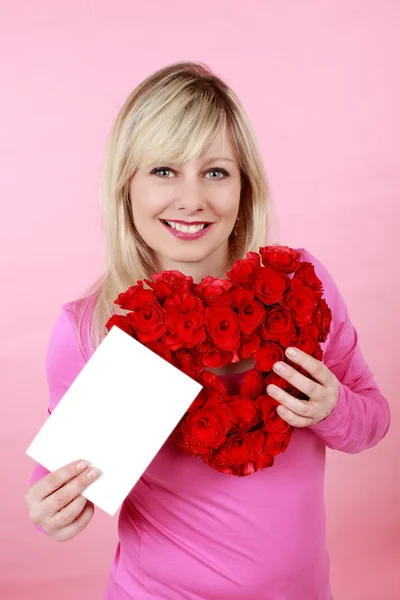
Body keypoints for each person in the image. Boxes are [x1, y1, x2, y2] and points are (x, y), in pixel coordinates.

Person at [25, 61, 391, 600]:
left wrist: (332, 408)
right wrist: (51, 512)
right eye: (164, 171)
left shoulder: (298, 289)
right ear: (126, 184)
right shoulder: (89, 330)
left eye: (216, 172)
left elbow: (373, 420)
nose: (192, 199)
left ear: (245, 185)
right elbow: (55, 488)